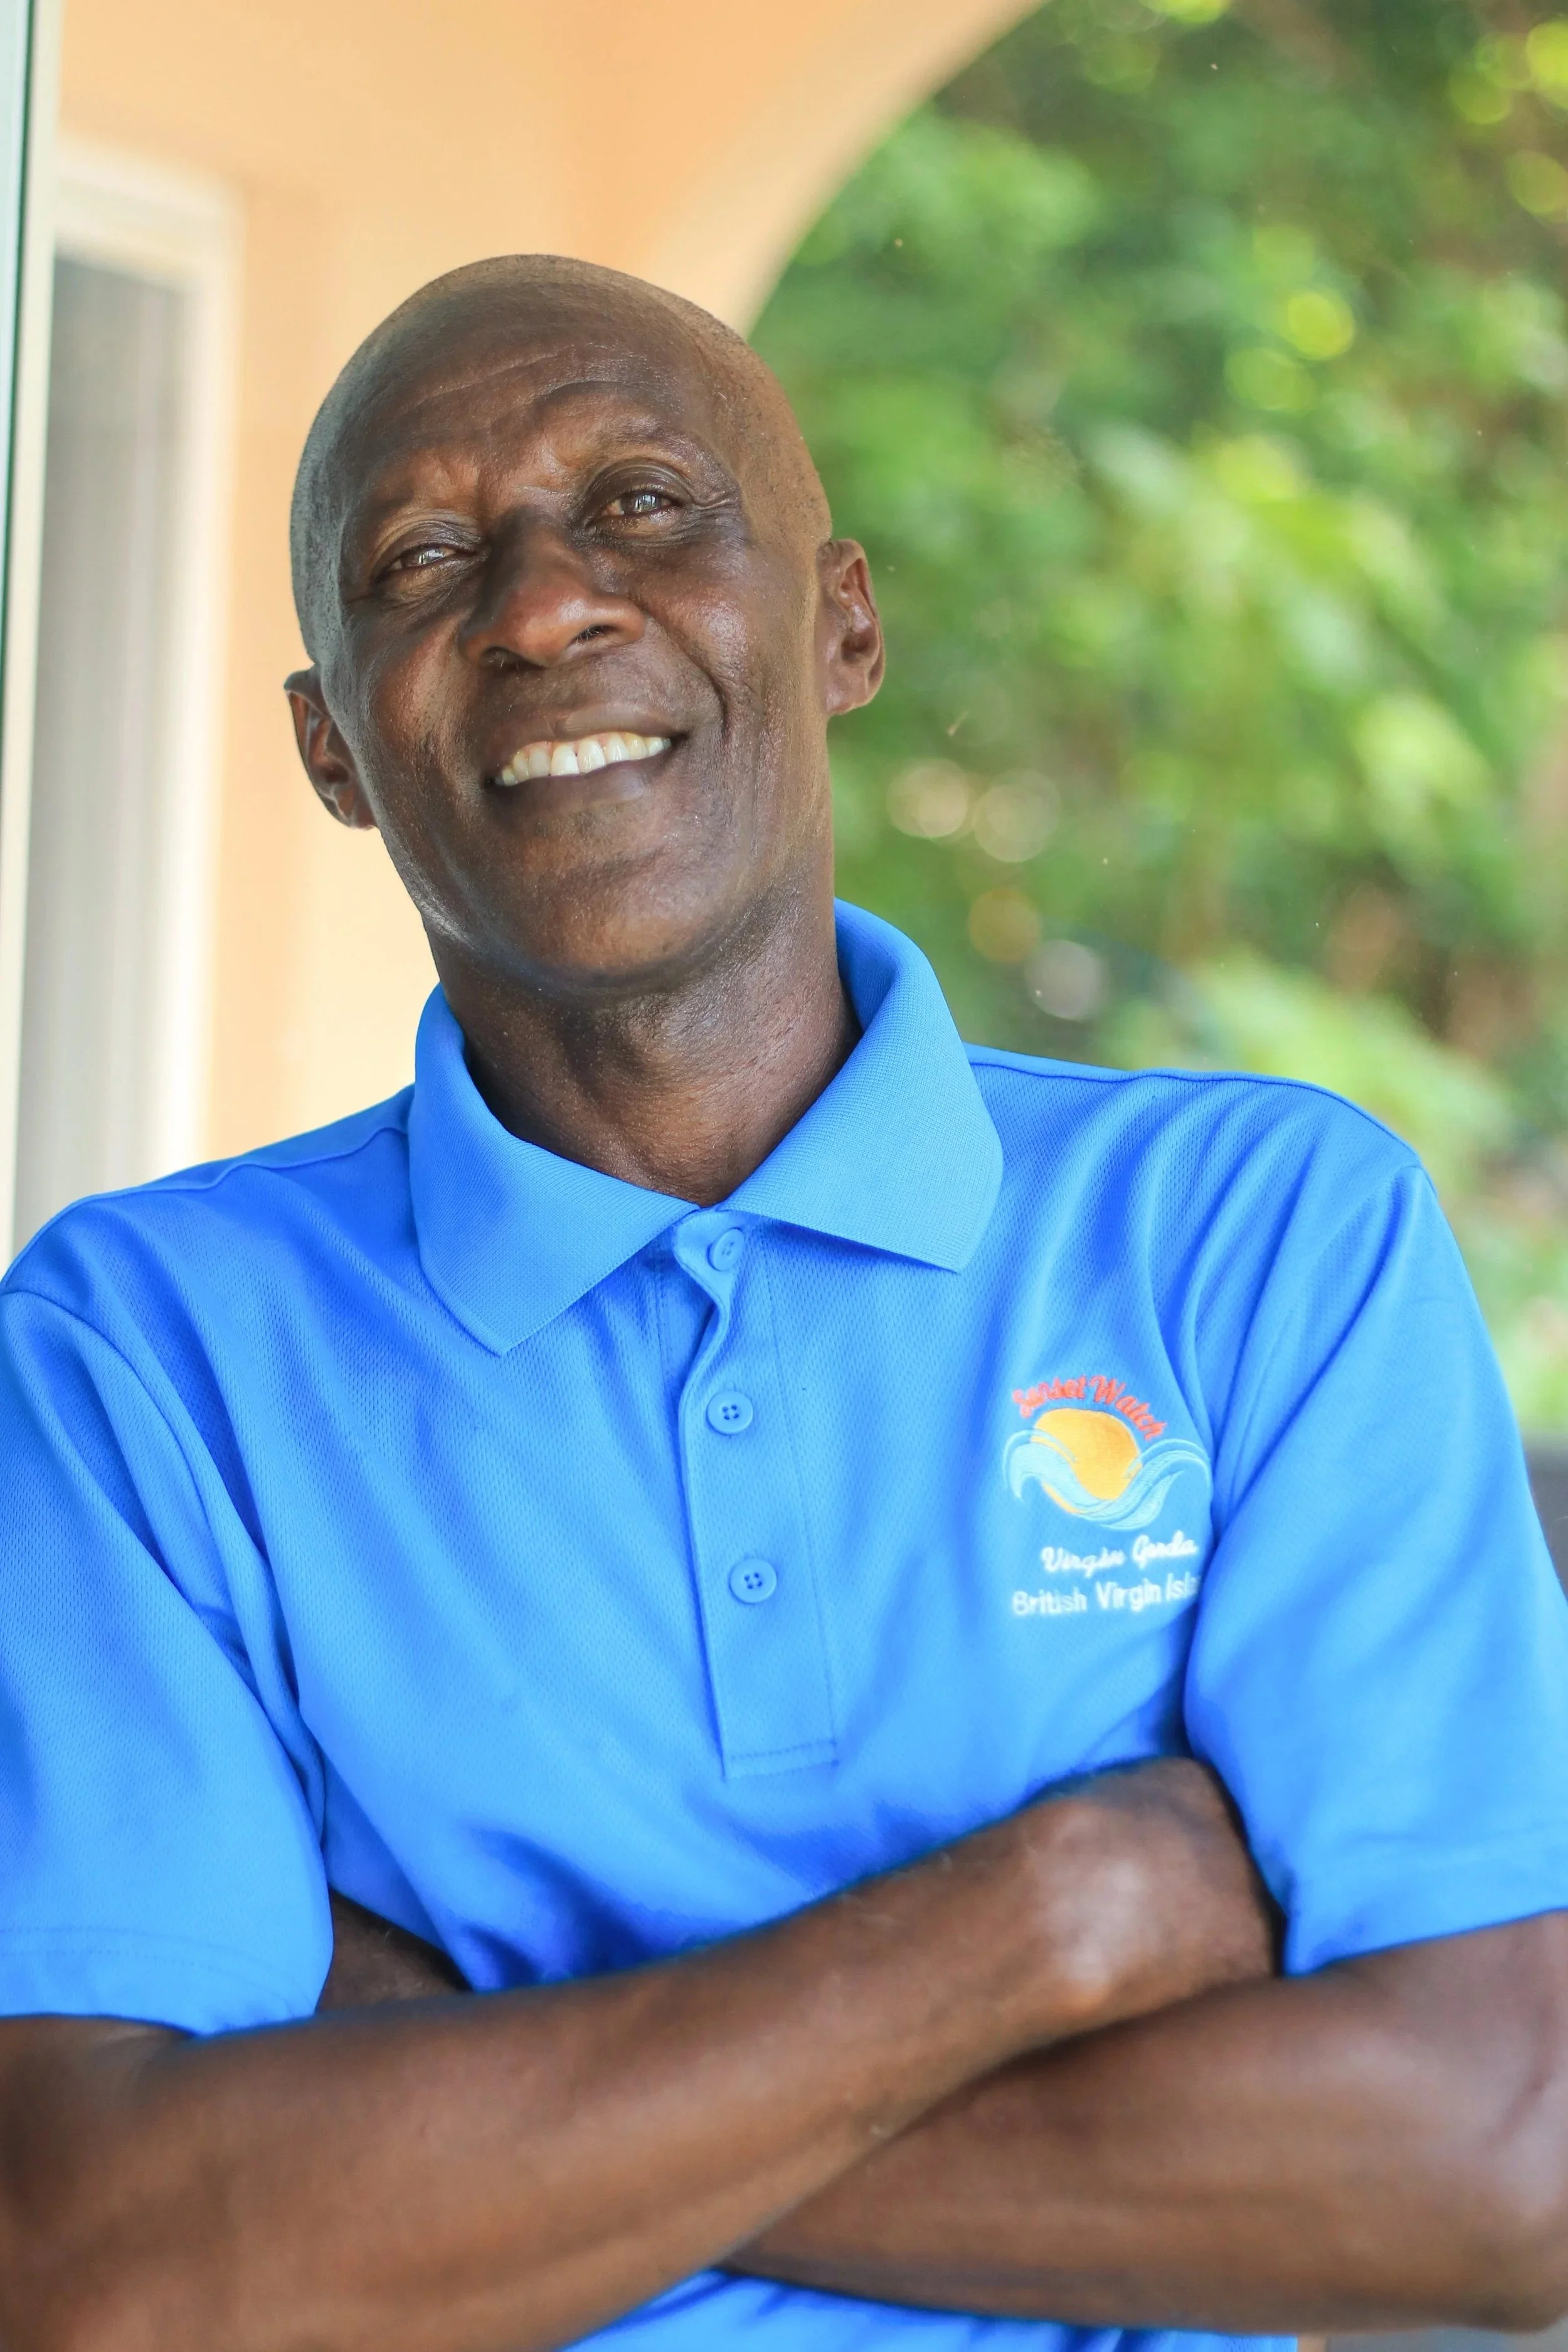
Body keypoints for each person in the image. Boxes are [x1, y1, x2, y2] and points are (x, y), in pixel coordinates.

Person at [1, 254, 1567, 2352]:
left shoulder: (1252, 1233)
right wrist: (1045, 1920)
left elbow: (1489, 2161)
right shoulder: (138, 1353)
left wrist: (450, 2080)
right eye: (426, 556)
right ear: (334, 749)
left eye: (643, 505)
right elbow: (104, 2259)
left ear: (842, 622)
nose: (545, 607)